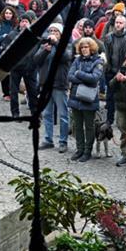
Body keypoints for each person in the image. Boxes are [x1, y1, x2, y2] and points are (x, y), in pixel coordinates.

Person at [35, 23, 72, 153]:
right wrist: (45, 50)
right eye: (51, 30)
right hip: (45, 84)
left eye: (56, 31)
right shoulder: (45, 45)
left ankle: (63, 141)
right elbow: (36, 61)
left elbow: (66, 57)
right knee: (47, 114)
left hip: (59, 84)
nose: (53, 33)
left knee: (63, 115)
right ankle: (48, 139)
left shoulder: (66, 45)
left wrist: (56, 44)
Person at [67, 37, 104, 162]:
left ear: (91, 48)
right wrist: (83, 77)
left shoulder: (98, 61)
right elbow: (70, 76)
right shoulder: (77, 60)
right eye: (82, 47)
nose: (84, 49)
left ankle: (87, 151)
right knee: (77, 126)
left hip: (89, 99)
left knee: (89, 126)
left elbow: (94, 78)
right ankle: (79, 149)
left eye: (86, 47)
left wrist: (79, 74)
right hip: (75, 97)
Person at [2, 12, 39, 118]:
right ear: (19, 23)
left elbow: (38, 49)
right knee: (13, 92)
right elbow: (5, 49)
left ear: (30, 23)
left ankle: (34, 112)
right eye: (22, 21)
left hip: (30, 68)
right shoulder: (12, 35)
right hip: (16, 68)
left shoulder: (34, 34)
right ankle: (15, 113)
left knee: (32, 92)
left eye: (26, 22)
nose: (24, 24)